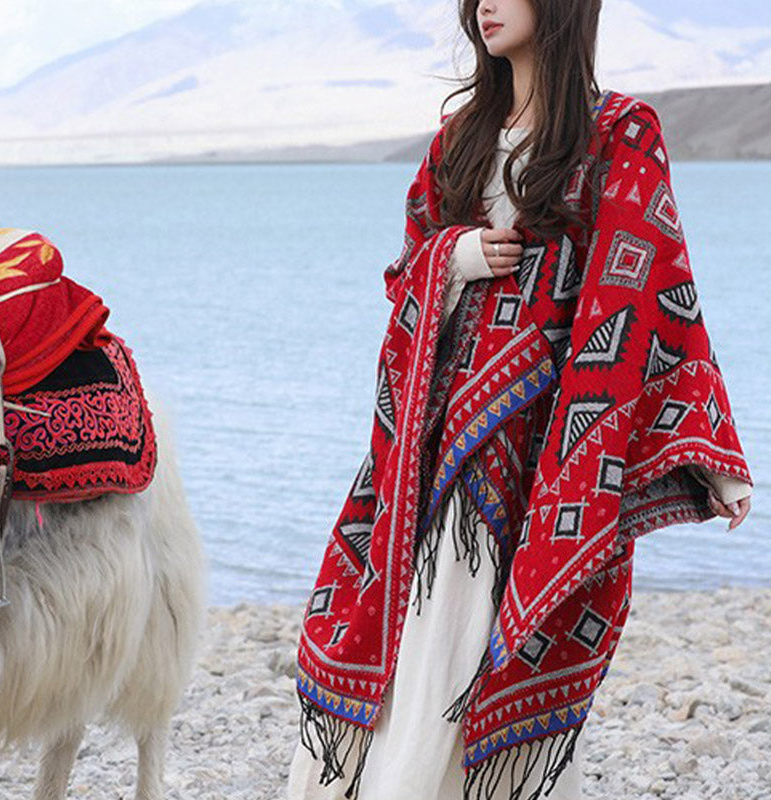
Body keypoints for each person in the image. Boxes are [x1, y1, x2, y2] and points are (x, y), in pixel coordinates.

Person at [286, 1, 752, 799]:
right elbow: (406, 274)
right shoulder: (460, 138)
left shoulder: (619, 132)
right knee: (432, 627)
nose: (484, 5)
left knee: (500, 636)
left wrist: (711, 453)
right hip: (442, 440)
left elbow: (652, 287)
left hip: (549, 450)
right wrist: (454, 257)